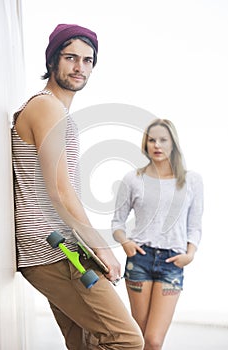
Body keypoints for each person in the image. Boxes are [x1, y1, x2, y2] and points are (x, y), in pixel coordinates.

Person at [12, 23, 144, 350]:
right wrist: (101, 247)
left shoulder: (56, 112)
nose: (79, 67)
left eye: (88, 61)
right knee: (126, 340)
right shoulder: (46, 106)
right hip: (53, 247)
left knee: (84, 344)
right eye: (71, 57)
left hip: (58, 246)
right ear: (53, 60)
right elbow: (60, 191)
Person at [111, 118, 204, 350]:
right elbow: (117, 223)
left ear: (173, 144)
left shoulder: (191, 181)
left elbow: (195, 225)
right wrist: (126, 243)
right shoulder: (133, 179)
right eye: (152, 140)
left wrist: (189, 255)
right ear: (145, 144)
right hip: (139, 260)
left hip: (172, 263)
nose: (157, 145)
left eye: (163, 140)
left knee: (153, 340)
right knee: (138, 338)